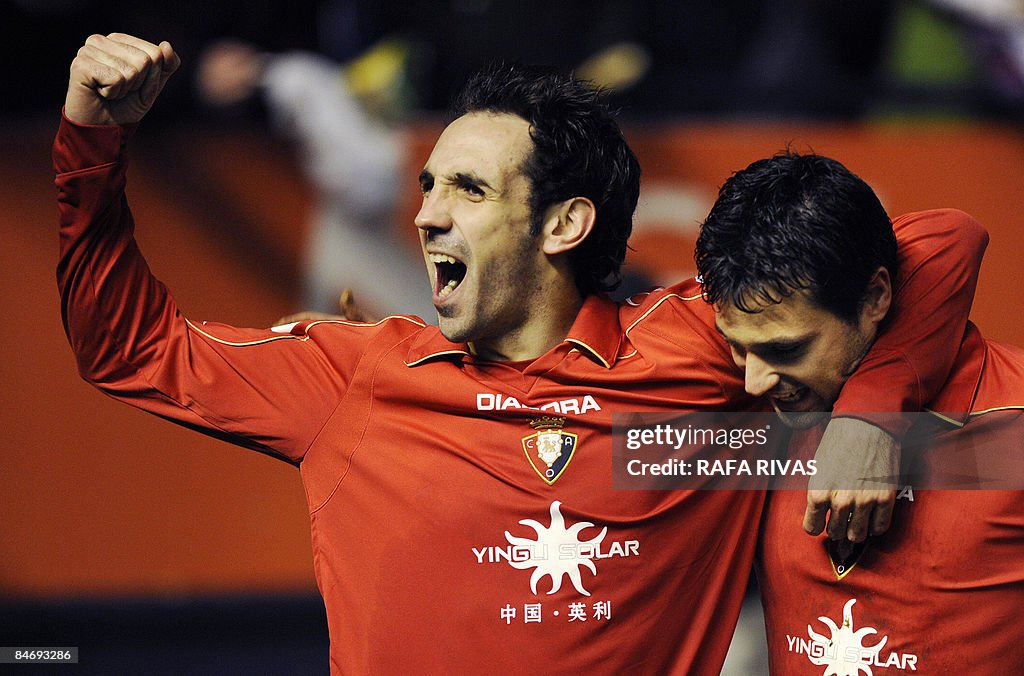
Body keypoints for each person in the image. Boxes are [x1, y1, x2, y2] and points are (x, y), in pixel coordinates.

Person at [56, 34, 982, 673]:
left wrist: (870, 414)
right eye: (428, 186)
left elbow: (937, 240)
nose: (424, 214)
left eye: (467, 187)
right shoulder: (355, 379)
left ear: (566, 223)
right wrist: (92, 136)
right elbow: (128, 348)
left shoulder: (700, 352)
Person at [695, 151, 1024, 674]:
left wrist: (869, 411)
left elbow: (954, 232)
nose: (753, 380)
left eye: (786, 350)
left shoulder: (1014, 424)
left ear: (875, 296)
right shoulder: (740, 416)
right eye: (737, 347)